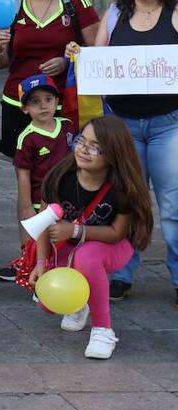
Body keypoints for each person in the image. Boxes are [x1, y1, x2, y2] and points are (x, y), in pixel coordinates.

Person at [67, 0, 178, 304]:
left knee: (173, 205)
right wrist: (78, 58)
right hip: (122, 125)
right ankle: (122, 274)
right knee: (126, 199)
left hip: (167, 124)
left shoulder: (175, 13)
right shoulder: (114, 13)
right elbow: (97, 59)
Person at [29, 116, 153, 360]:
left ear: (114, 154)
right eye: (81, 141)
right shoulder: (59, 177)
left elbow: (117, 232)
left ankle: (103, 330)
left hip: (113, 245)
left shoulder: (121, 186)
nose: (84, 150)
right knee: (46, 301)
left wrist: (75, 231)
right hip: (70, 245)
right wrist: (41, 264)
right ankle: (79, 303)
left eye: (95, 147)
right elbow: (44, 223)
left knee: (88, 257)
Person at [0, 0, 98, 159]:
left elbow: (98, 50)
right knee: (24, 172)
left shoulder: (75, 3)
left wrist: (67, 61)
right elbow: (0, 63)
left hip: (62, 104)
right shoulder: (12, 7)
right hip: (19, 103)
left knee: (66, 168)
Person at [2, 74, 75, 281]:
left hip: (67, 198)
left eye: (48, 99)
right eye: (35, 101)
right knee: (40, 240)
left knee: (63, 239)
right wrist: (27, 207)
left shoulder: (68, 126)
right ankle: (30, 266)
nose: (43, 106)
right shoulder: (27, 138)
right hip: (39, 200)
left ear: (57, 101)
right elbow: (23, 174)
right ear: (25, 108)